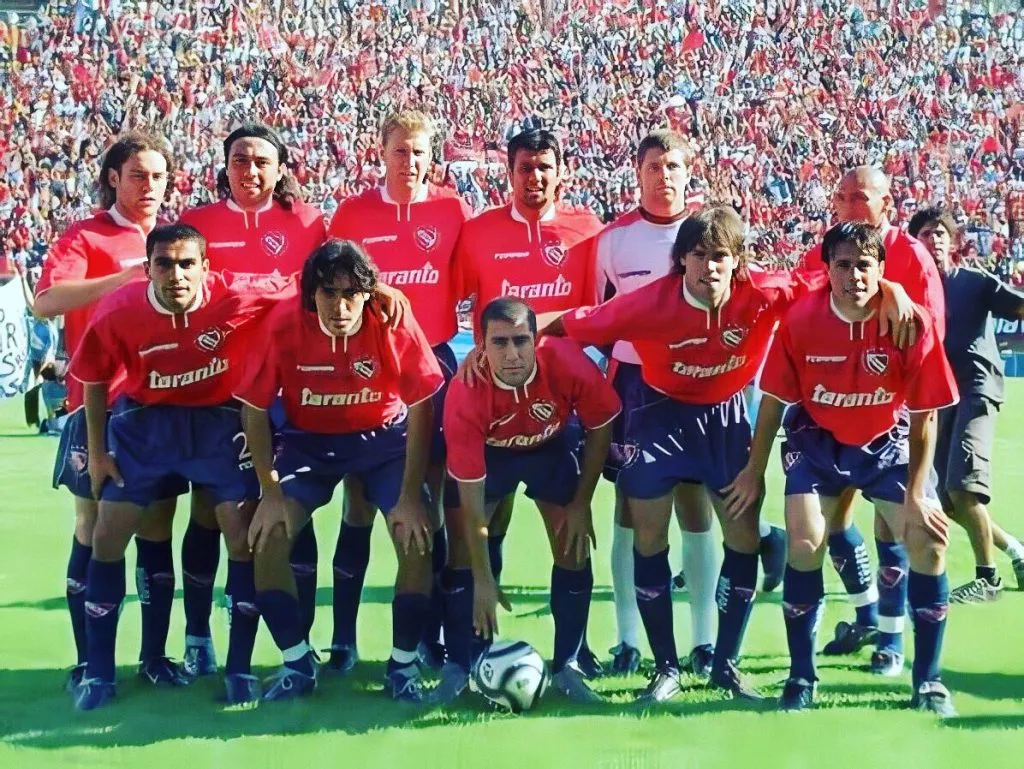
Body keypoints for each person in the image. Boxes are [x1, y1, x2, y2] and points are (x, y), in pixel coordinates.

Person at [545, 206, 915, 703]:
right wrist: (494, 337)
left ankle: (724, 664)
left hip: (725, 419)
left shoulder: (764, 292)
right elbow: (568, 324)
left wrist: (896, 289)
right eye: (699, 255)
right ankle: (666, 668)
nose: (710, 266)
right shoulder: (645, 304)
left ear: (738, 262)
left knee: (741, 534)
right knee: (649, 535)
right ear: (681, 261)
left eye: (721, 256)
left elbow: (836, 277)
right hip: (658, 416)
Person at [732, 222, 959, 716]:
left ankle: (929, 682)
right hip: (817, 442)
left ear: (881, 269)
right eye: (843, 264)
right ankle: (800, 678)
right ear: (826, 268)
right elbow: (771, 403)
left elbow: (925, 417)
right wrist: (754, 469)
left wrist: (919, 492)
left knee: (928, 539)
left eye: (865, 265)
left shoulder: (909, 323)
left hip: (886, 442)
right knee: (807, 540)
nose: (854, 275)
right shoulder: (802, 320)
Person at [67, 223, 295, 710]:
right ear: (147, 268)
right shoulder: (118, 310)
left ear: (205, 268)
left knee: (239, 530)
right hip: (145, 424)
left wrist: (377, 287)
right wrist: (99, 453)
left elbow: (305, 283)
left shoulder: (237, 294)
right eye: (164, 264)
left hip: (217, 424)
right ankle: (100, 674)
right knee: (109, 533)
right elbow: (91, 377)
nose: (176, 274)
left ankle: (238, 669)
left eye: (187, 263)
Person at [592, 130, 785, 677]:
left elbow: (771, 289)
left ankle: (706, 644)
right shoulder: (614, 240)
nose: (664, 175)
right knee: (632, 512)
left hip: (714, 384)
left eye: (673, 165)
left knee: (699, 508)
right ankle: (631, 642)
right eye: (653, 165)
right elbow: (598, 313)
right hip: (637, 385)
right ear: (638, 172)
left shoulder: (713, 230)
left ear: (687, 172)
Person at [235, 239, 444, 702]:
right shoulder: (283, 324)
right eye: (329, 293)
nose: (341, 305)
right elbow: (252, 408)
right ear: (311, 294)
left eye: (352, 293)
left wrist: (411, 496)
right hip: (309, 445)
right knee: (266, 537)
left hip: (383, 443)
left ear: (369, 293)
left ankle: (403, 666)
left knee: (415, 536)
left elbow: (422, 406)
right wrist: (269, 494)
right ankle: (296, 662)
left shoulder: (390, 319)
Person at [33, 130, 186, 694]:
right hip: (96, 407)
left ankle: (154, 655)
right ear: (114, 180)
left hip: (161, 409)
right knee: (93, 528)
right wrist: (120, 278)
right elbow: (45, 301)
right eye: (138, 175)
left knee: (156, 528)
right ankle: (87, 659)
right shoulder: (87, 235)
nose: (149, 186)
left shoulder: (176, 241)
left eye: (158, 176)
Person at [176, 123, 327, 678]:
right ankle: (197, 636)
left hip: (291, 389)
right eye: (241, 160)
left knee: (294, 513)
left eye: (262, 161)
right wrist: (270, 288)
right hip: (215, 390)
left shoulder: (309, 222)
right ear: (226, 165)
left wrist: (252, 290)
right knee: (209, 515)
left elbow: (315, 293)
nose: (251, 170)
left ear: (281, 167)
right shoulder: (201, 225)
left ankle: (300, 642)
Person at [323, 110, 471, 673]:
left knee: (425, 502)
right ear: (380, 152)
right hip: (367, 368)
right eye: (400, 151)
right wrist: (379, 285)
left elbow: (464, 284)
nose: (410, 162)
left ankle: (424, 637)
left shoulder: (452, 210)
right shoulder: (354, 213)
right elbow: (331, 284)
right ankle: (342, 639)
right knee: (358, 503)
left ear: (432, 156)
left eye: (420, 152)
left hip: (430, 362)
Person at [453, 127, 605, 675]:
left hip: (557, 408)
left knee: (569, 530)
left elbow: (596, 313)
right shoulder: (477, 232)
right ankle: (467, 652)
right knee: (476, 524)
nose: (535, 177)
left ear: (560, 170)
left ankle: (574, 654)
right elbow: (446, 300)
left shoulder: (587, 232)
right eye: (524, 167)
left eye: (544, 166)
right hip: (491, 406)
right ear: (509, 172)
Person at [435, 297, 620, 704]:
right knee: (463, 555)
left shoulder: (566, 361)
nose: (512, 353)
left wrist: (580, 503)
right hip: (491, 455)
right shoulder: (465, 394)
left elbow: (601, 425)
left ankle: (567, 665)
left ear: (536, 340)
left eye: (521, 341)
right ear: (480, 344)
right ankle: (459, 665)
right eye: (499, 343)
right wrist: (483, 579)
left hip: (550, 449)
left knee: (572, 547)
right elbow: (470, 497)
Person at [802, 166, 946, 663]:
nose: (848, 205)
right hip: (832, 408)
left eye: (860, 197)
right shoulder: (827, 248)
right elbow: (805, 298)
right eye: (841, 197)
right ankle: (865, 614)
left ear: (888, 202)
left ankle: (890, 640)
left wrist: (894, 289)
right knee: (832, 522)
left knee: (895, 525)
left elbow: (931, 338)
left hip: (892, 414)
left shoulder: (912, 255)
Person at [908, 206, 1024, 599]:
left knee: (962, 485)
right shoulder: (911, 291)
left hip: (977, 387)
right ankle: (1016, 550)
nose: (935, 239)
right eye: (926, 233)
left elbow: (1019, 305)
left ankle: (987, 580)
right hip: (941, 395)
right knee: (948, 500)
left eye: (941, 233)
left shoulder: (973, 282)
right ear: (915, 243)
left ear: (952, 242)